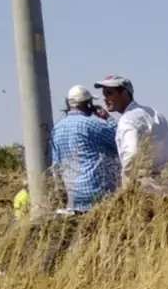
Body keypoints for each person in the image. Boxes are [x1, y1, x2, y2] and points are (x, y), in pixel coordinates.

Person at [94, 74, 168, 195]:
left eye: (109, 93)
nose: (105, 99)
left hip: (146, 189)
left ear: (124, 94)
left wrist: (127, 189)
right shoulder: (154, 113)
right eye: (104, 94)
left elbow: (131, 156)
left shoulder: (127, 120)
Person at [50, 85, 120, 213]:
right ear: (89, 104)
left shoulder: (56, 129)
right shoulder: (93, 125)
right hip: (97, 193)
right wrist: (108, 118)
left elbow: (56, 165)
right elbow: (120, 140)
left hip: (73, 197)